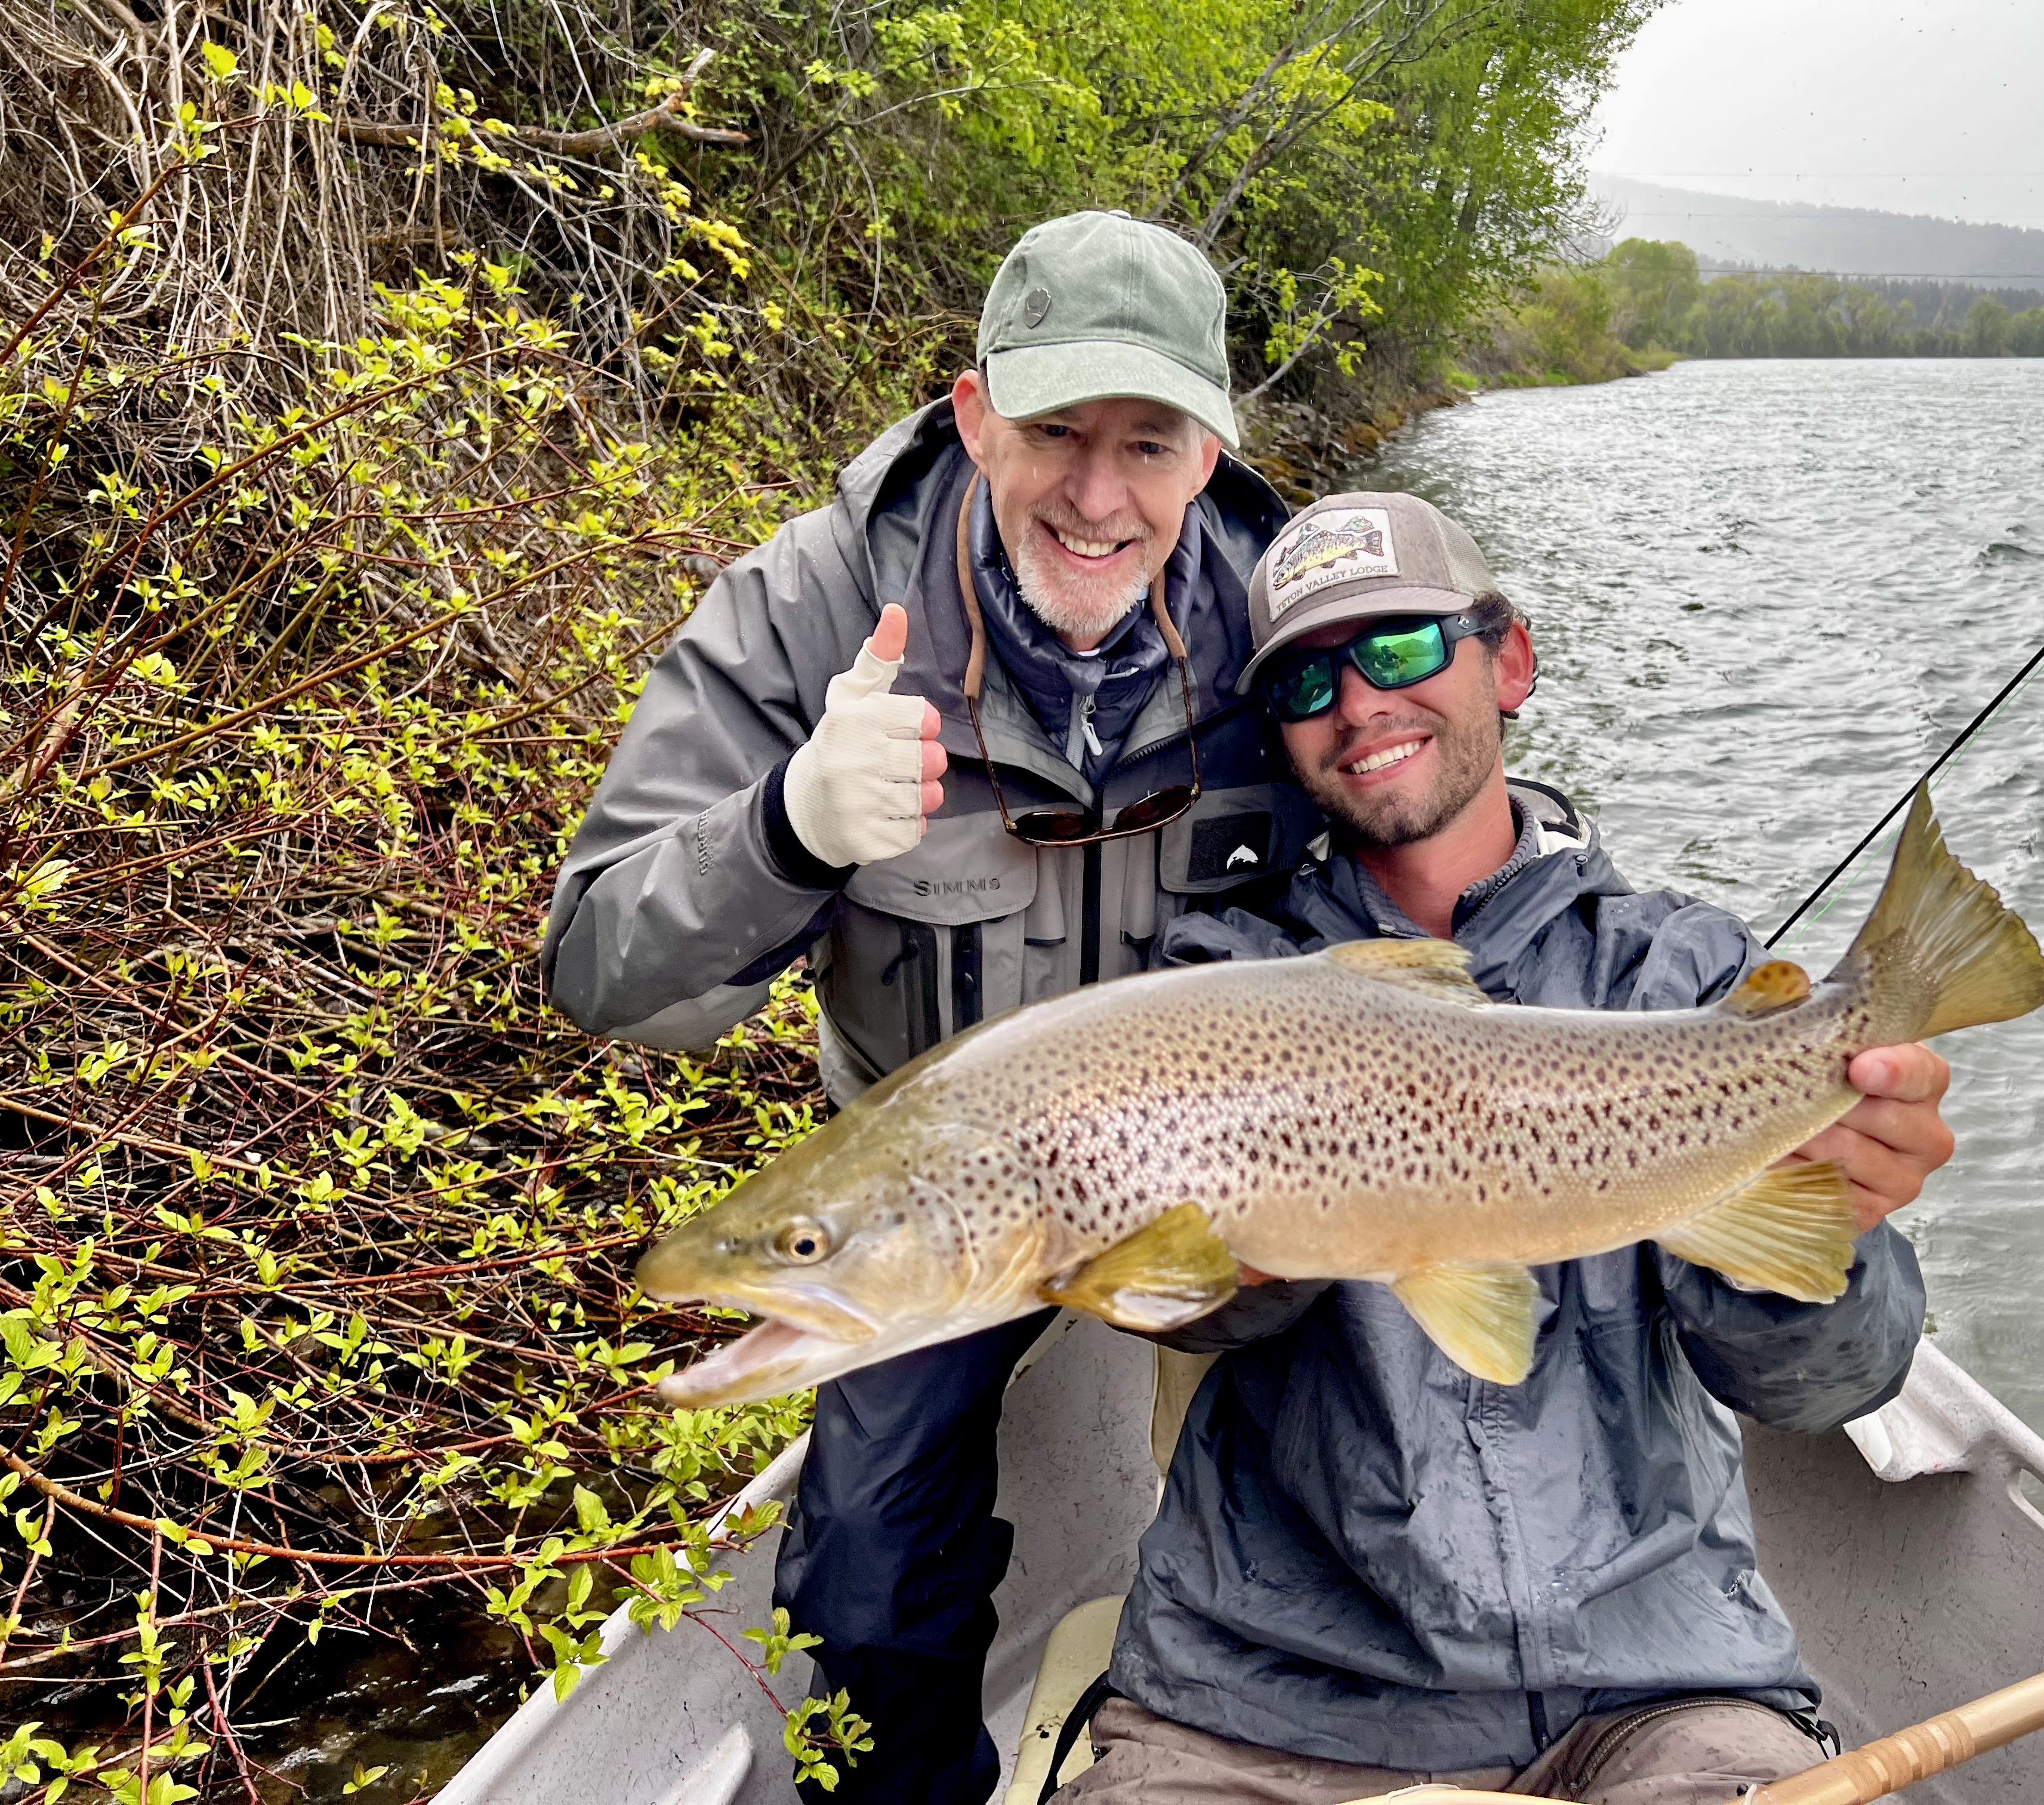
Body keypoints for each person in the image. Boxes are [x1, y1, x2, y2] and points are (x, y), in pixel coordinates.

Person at [542, 211, 1310, 1801]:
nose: (1098, 498)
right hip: (933, 1197)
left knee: (1377, 1487)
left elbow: (1451, 838)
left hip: (1256, 1175)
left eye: (1148, 446)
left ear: (1210, 451)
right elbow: (599, 964)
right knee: (868, 1590)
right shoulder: (810, 607)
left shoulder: (1291, 622)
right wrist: (788, 830)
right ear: (972, 414)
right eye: (1053, 435)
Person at [1056, 492, 1957, 1804]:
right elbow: (1197, 1326)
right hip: (1259, 1700)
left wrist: (1844, 1222)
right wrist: (1217, 1261)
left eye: (1404, 649)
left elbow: (1831, 1386)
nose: (1360, 702)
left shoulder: (1683, 977)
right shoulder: (1226, 981)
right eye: (1309, 677)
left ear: (1510, 661)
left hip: (1657, 1689)